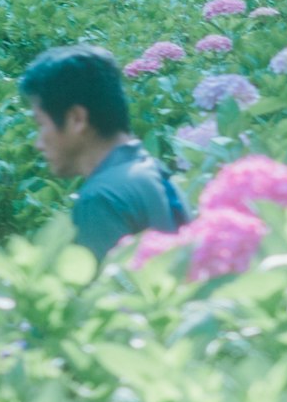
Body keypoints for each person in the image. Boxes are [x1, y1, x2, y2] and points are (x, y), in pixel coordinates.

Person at [18, 45, 187, 260]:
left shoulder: (100, 199)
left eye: (41, 124)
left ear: (77, 119)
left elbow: (104, 293)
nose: (38, 143)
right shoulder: (154, 172)